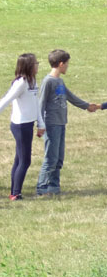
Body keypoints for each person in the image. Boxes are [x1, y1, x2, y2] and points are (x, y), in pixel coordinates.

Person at [36, 49, 98, 196]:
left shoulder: (59, 81)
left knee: (58, 157)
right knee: (50, 157)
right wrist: (40, 124)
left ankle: (54, 187)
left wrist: (87, 106)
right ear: (61, 64)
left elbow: (70, 96)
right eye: (67, 64)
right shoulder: (48, 81)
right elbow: (41, 104)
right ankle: (42, 188)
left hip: (61, 123)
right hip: (51, 124)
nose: (68, 67)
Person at [0, 54, 45, 201]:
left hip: (28, 124)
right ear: (28, 66)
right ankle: (15, 193)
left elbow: (35, 103)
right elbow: (6, 100)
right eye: (35, 63)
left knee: (20, 159)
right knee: (25, 160)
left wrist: (40, 124)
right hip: (20, 125)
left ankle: (14, 191)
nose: (37, 65)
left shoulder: (32, 81)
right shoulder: (21, 83)